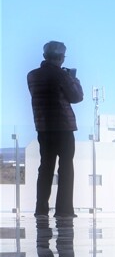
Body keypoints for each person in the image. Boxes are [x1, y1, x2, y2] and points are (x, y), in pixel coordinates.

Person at [27, 41, 84, 218]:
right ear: (60, 58)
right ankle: (64, 210)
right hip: (64, 127)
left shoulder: (32, 76)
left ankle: (41, 209)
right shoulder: (61, 75)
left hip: (43, 127)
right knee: (65, 167)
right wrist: (74, 79)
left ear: (45, 56)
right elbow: (76, 97)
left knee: (45, 167)